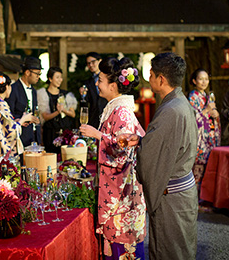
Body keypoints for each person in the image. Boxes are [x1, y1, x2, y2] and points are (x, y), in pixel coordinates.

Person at [118, 52, 198, 260]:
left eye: (151, 73)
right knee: (179, 250)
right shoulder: (179, 103)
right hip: (182, 192)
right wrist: (141, 139)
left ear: (161, 78)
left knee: (169, 252)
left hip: (172, 195)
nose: (149, 77)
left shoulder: (171, 110)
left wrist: (141, 147)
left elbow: (150, 157)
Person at [79, 57, 146, 259]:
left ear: (114, 85)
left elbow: (123, 149)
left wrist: (98, 135)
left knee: (122, 244)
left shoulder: (122, 112)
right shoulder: (116, 109)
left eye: (100, 80)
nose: (97, 84)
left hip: (123, 193)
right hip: (119, 189)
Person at [0, 72, 33, 158]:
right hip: (1, 152)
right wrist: (22, 120)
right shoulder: (1, 104)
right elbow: (11, 131)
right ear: (7, 87)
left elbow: (3, 125)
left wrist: (15, 121)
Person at [188, 68, 220, 192]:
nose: (204, 82)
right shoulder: (193, 97)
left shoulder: (207, 96)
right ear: (195, 81)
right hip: (200, 140)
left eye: (206, 79)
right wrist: (206, 110)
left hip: (209, 137)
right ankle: (196, 200)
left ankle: (205, 198)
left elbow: (212, 115)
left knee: (209, 168)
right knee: (198, 168)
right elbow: (192, 118)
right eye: (201, 79)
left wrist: (215, 115)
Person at [38, 66, 77, 154]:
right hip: (50, 133)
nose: (60, 80)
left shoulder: (66, 95)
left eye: (61, 77)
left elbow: (73, 114)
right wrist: (57, 112)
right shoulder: (43, 94)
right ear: (50, 79)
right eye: (57, 77)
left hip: (65, 132)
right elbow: (45, 116)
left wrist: (63, 110)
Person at [5, 57, 42, 147]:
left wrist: (35, 119)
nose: (38, 76)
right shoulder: (13, 89)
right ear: (27, 72)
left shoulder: (33, 90)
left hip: (33, 137)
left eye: (39, 74)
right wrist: (24, 119)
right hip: (19, 138)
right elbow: (8, 115)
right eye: (37, 73)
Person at [79, 52, 108, 129]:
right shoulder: (87, 83)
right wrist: (83, 96)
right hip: (94, 118)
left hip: (108, 114)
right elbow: (85, 105)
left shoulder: (108, 77)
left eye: (93, 62)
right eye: (88, 63)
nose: (91, 65)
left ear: (100, 61)